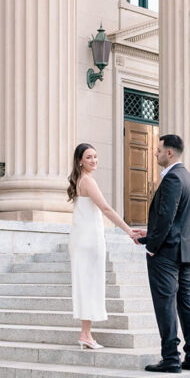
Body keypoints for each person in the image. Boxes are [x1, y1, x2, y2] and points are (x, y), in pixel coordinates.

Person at [132, 134, 190, 373]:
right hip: (186, 252)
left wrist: (150, 245)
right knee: (187, 302)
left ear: (169, 153)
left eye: (158, 149)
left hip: (167, 254)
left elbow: (166, 217)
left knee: (165, 304)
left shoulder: (173, 178)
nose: (155, 153)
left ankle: (171, 358)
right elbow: (180, 220)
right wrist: (148, 233)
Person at [67, 143, 137, 349]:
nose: (94, 160)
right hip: (89, 240)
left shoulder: (81, 180)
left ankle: (86, 333)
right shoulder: (87, 181)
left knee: (86, 284)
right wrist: (128, 230)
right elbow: (106, 209)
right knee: (89, 284)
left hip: (82, 239)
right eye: (89, 157)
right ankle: (85, 334)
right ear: (80, 160)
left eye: (96, 157)